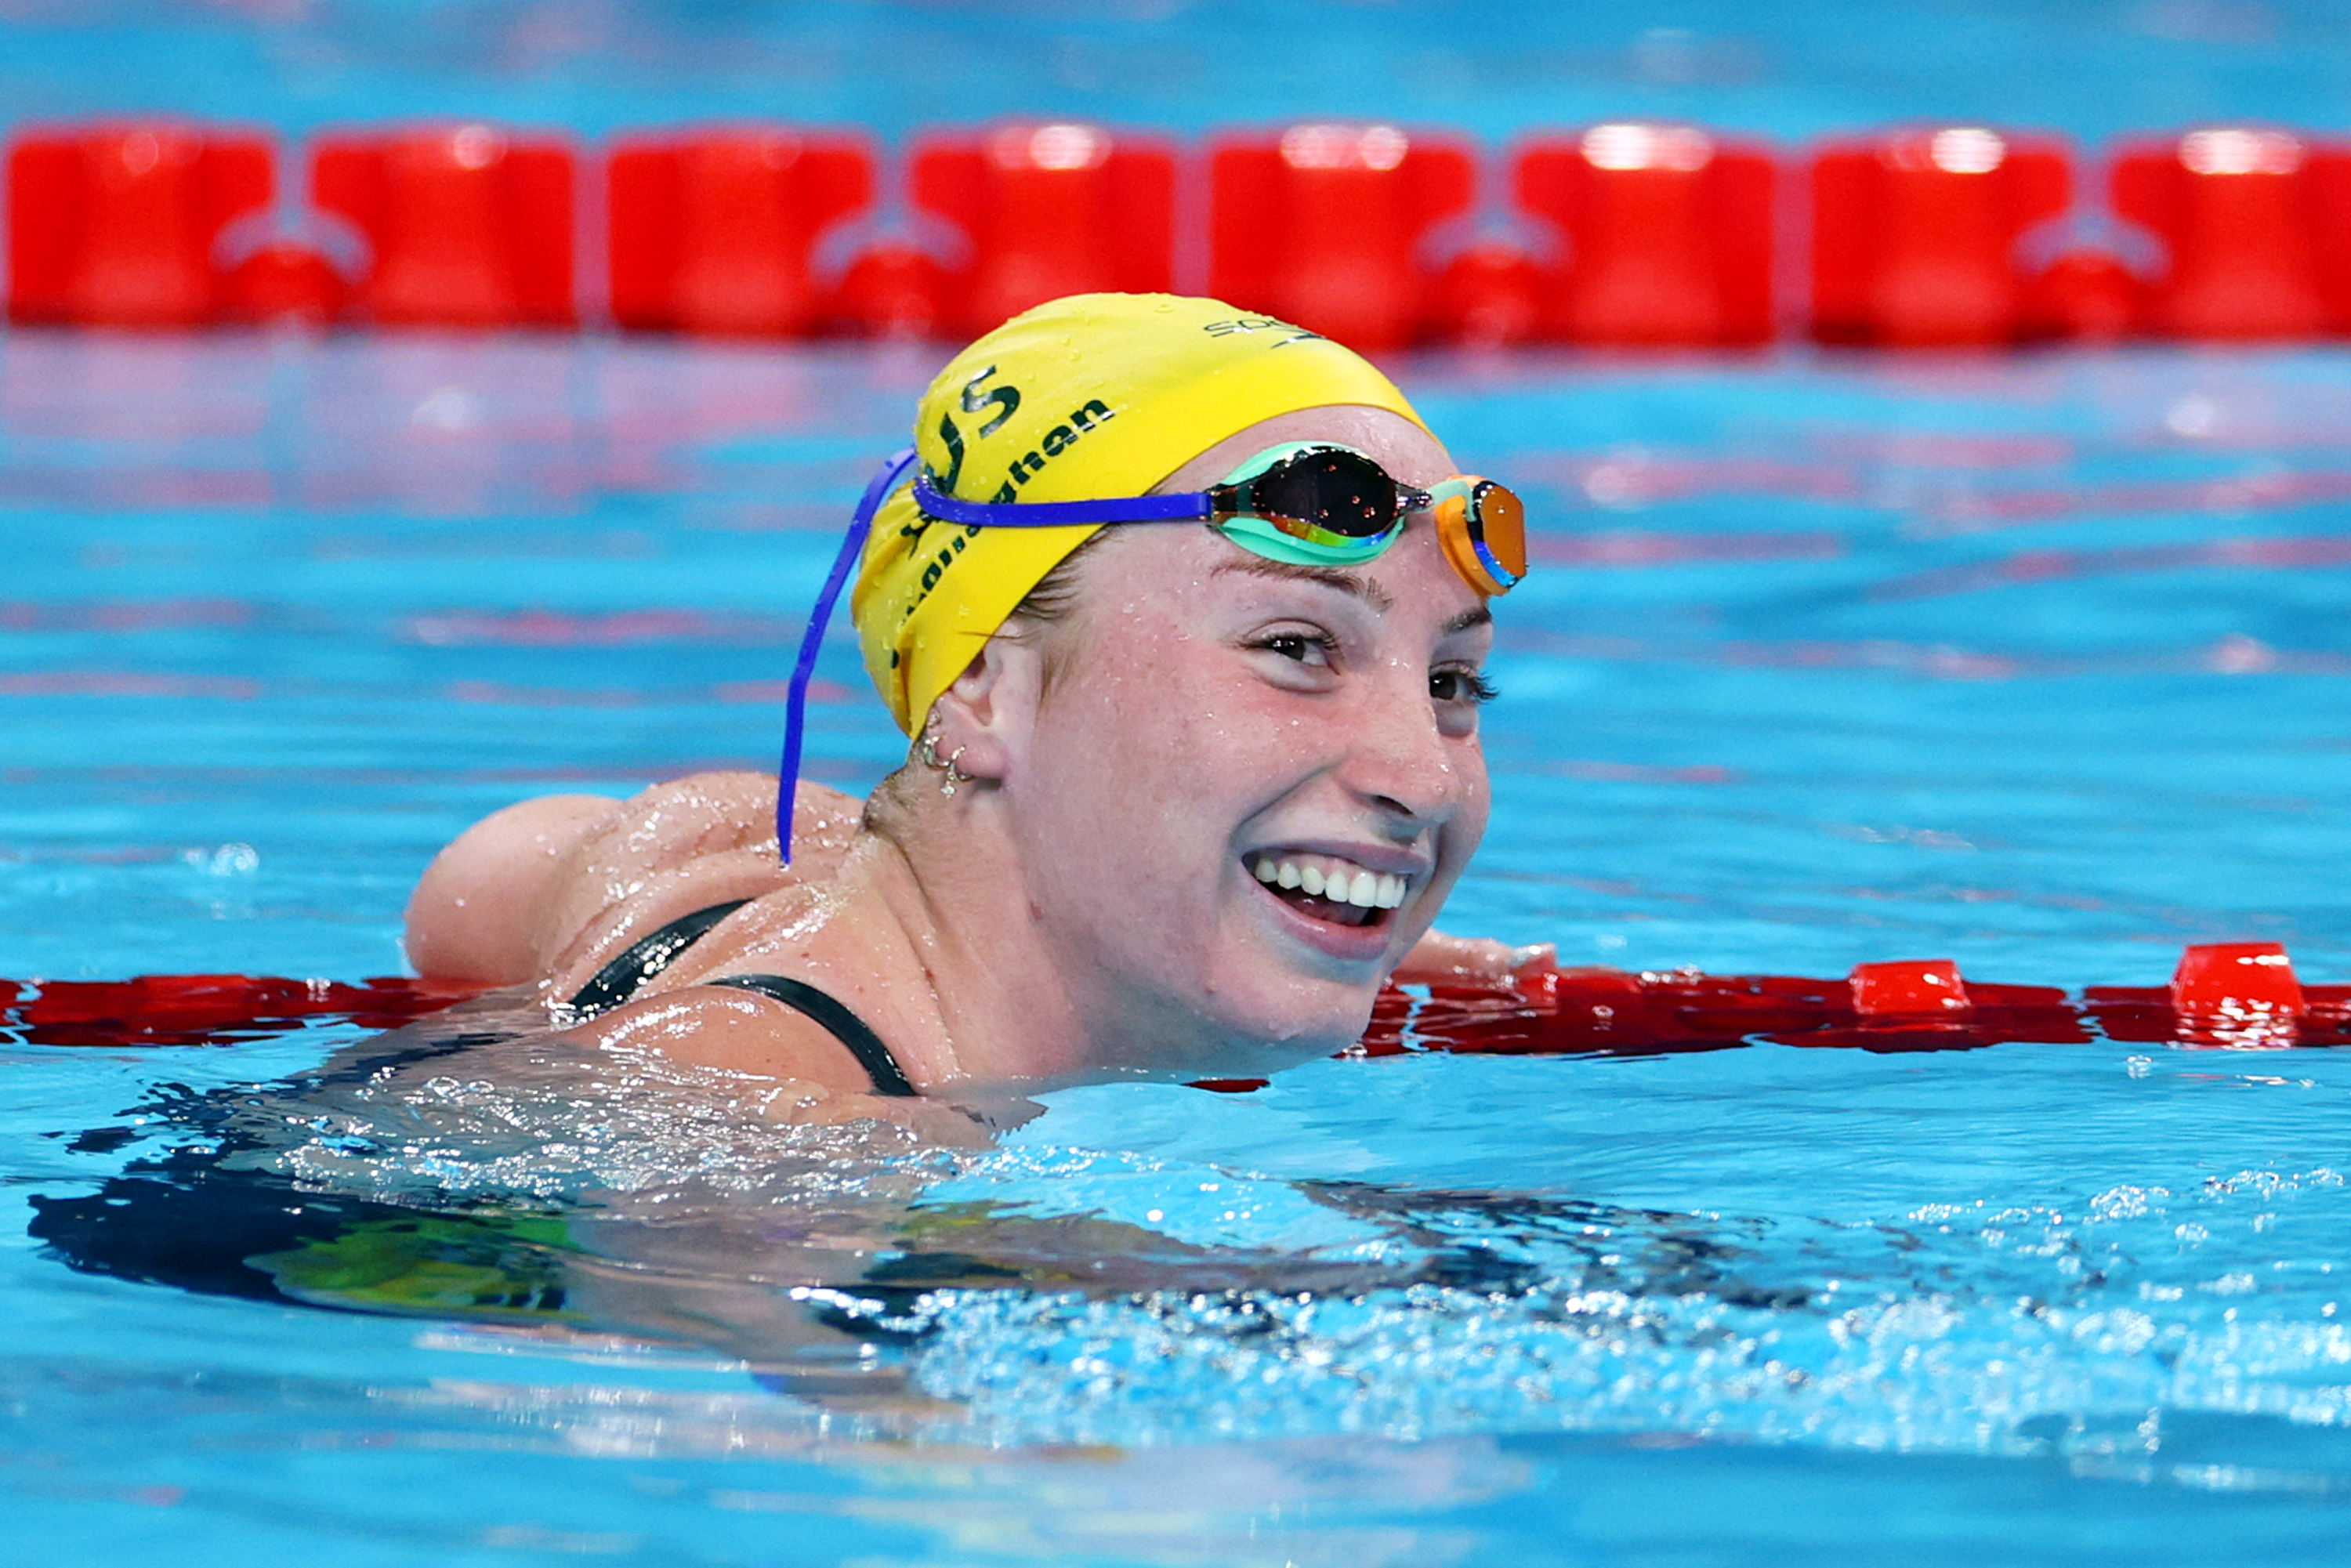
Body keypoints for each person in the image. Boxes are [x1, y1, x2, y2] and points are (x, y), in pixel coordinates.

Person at [402, 293, 1538, 1132]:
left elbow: (483, 877)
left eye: (1451, 683)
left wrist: (1296, 895)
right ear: (978, 687)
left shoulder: (713, 847)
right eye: (1295, 648)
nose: (1424, 778)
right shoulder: (770, 1133)